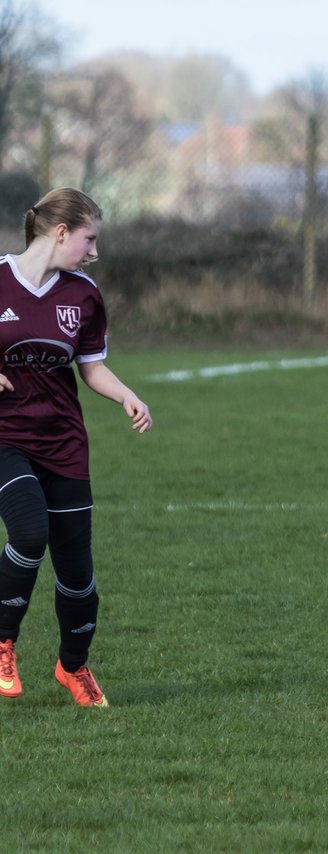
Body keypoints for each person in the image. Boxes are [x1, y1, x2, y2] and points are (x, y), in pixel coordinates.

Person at [0, 188, 153, 708]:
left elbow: (90, 366)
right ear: (61, 232)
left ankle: (73, 667)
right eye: (89, 239)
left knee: (77, 571)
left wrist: (127, 395)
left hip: (63, 443)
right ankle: (2, 642)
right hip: (4, 439)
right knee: (28, 530)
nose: (94, 252)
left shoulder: (83, 295)